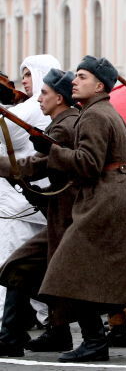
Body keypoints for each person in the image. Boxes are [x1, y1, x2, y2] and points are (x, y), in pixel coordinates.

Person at [32, 56, 126, 363]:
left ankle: (94, 341)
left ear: (99, 85)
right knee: (93, 271)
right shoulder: (101, 111)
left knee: (68, 270)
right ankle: (104, 338)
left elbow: (88, 163)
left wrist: (52, 149)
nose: (74, 81)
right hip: (113, 195)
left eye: (81, 77)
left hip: (105, 197)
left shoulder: (93, 116)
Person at [0, 68, 78, 357]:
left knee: (20, 266)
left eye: (43, 93)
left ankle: (11, 338)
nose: (38, 98)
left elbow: (41, 165)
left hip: (68, 215)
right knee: (42, 272)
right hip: (63, 213)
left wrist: (8, 167)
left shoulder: (63, 126)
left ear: (59, 97)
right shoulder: (64, 122)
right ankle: (57, 332)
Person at [0, 55, 61, 313]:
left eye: (28, 74)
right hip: (30, 198)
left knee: (11, 260)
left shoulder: (34, 107)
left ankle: (8, 321)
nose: (24, 81)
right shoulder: (35, 106)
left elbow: (4, 128)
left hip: (22, 200)